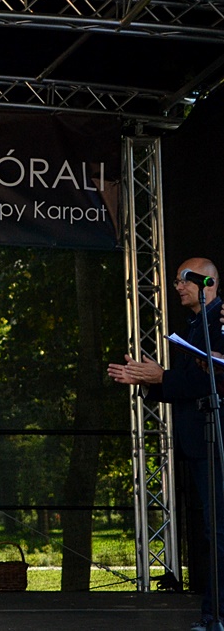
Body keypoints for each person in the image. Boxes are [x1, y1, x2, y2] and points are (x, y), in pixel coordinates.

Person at [108, 257, 224, 630]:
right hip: (201, 440)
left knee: (218, 530)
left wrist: (162, 377)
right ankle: (213, 612)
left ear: (207, 283)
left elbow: (212, 379)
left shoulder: (219, 322)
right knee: (213, 529)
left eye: (183, 280)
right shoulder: (195, 325)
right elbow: (190, 383)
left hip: (216, 440)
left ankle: (215, 614)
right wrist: (149, 380)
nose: (178, 287)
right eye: (175, 281)